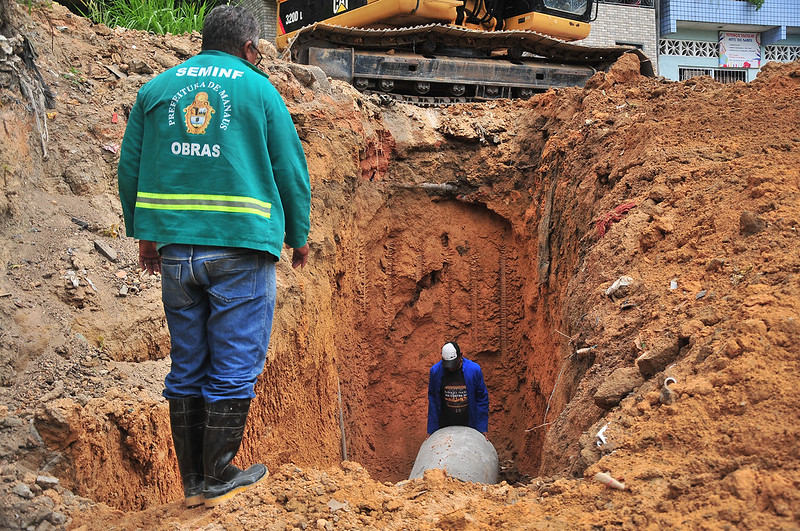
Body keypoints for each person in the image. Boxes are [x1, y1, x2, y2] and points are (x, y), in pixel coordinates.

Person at [117, 5, 311, 509]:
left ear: (203, 42)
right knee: (234, 365)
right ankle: (219, 470)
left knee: (188, 365)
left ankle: (194, 482)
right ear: (249, 48)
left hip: (176, 253)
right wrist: (299, 236)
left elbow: (131, 168)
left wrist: (145, 235)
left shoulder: (158, 90)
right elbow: (290, 169)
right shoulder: (259, 91)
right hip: (241, 251)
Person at [427, 341, 489, 437]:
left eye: (453, 364)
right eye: (447, 365)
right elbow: (433, 401)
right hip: (445, 424)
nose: (450, 368)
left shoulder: (473, 370)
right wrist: (432, 430)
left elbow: (481, 399)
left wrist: (481, 428)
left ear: (461, 356)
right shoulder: (436, 371)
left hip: (468, 423)